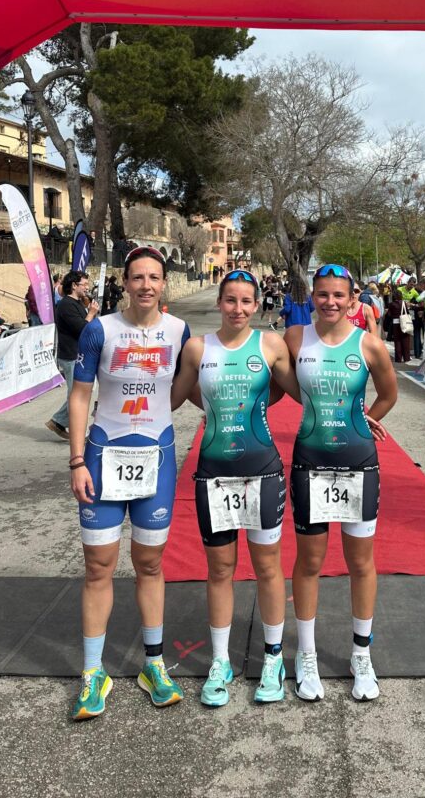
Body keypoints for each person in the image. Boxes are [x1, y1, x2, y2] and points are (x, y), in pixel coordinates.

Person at [68, 246, 191, 720]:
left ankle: (153, 664)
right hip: (103, 457)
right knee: (98, 566)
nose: (146, 285)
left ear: (164, 283)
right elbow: (80, 396)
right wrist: (77, 461)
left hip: (156, 456)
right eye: (137, 277)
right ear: (124, 282)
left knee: (150, 563)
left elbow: (188, 386)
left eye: (154, 277)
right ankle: (92, 672)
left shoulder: (178, 331)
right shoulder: (99, 330)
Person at [170, 269, 300, 707]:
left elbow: (299, 392)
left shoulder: (270, 345)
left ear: (257, 305)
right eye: (230, 300)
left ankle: (273, 658)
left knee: (268, 567)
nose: (238, 309)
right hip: (213, 473)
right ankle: (220, 661)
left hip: (262, 470)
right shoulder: (197, 348)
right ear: (219, 302)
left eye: (246, 301)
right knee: (221, 569)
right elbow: (176, 397)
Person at [284, 263, 396, 704]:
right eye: (322, 294)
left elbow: (388, 394)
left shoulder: (369, 345)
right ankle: (307, 654)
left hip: (357, 462)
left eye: (338, 295)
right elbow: (276, 382)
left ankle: (361, 655)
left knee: (360, 562)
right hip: (310, 461)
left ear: (353, 300)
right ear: (312, 296)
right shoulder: (296, 338)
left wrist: (366, 420)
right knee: (309, 561)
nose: (330, 301)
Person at [45, 271, 99, 442]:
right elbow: (82, 329)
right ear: (74, 286)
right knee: (78, 395)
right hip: (71, 355)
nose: (87, 288)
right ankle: (78, 432)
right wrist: (90, 314)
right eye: (84, 284)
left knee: (79, 392)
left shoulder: (76, 303)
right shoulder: (66, 305)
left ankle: (58, 421)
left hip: (79, 354)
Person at [386, 287, 412, 363]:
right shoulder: (404, 303)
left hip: (395, 324)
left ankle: (398, 358)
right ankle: (406, 357)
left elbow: (389, 315)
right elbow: (407, 312)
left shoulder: (391, 304)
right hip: (404, 322)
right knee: (405, 341)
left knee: (397, 341)